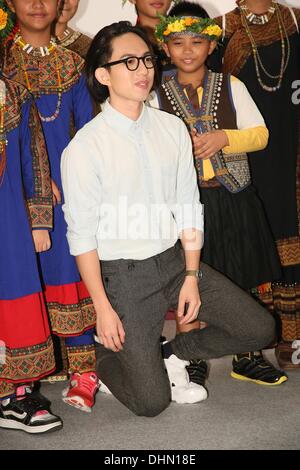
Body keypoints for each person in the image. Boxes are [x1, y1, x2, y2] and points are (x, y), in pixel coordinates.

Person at [61, 21, 276, 416]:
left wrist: (192, 276)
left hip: (174, 261)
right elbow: (82, 236)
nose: (143, 69)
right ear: (103, 75)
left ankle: (170, 351)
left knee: (258, 328)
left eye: (146, 59)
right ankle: (105, 357)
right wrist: (103, 309)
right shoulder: (85, 148)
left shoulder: (171, 127)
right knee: (151, 402)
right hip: (123, 275)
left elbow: (187, 203)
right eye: (129, 61)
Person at [148, 1, 286, 386]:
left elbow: (260, 134)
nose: (188, 50)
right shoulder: (155, 92)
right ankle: (189, 353)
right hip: (185, 205)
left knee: (245, 273)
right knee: (191, 278)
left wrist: (225, 137)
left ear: (211, 46)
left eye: (197, 41)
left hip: (234, 198)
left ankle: (248, 354)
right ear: (165, 47)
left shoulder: (232, 85)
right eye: (178, 42)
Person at [2, 0, 99, 412]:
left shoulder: (73, 65)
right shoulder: (2, 62)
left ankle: (82, 370)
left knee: (66, 270)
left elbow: (90, 134)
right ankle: (21, 375)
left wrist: (67, 179)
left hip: (63, 192)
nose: (38, 4)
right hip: (7, 190)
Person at [212, 1, 300, 369]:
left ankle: (293, 336)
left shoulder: (295, 19)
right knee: (253, 243)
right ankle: (256, 338)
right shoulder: (221, 29)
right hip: (245, 158)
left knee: (293, 235)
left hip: (293, 152)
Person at [0, 6, 62, 430]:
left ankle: (15, 396)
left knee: (16, 293)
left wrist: (40, 219)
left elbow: (34, 156)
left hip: (9, 221)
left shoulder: (13, 91)